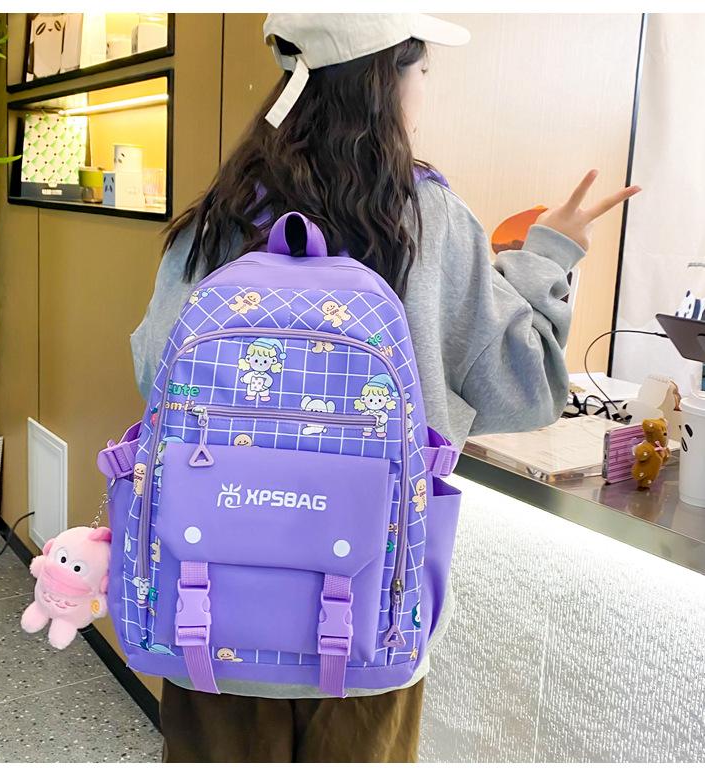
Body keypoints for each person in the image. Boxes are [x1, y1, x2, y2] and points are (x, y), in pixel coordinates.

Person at [130, 13, 640, 763]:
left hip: (209, 604)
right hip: (370, 610)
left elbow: (155, 377)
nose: (424, 89)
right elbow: (521, 389)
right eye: (422, 69)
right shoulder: (428, 218)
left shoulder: (220, 215)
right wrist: (545, 258)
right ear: (387, 76)